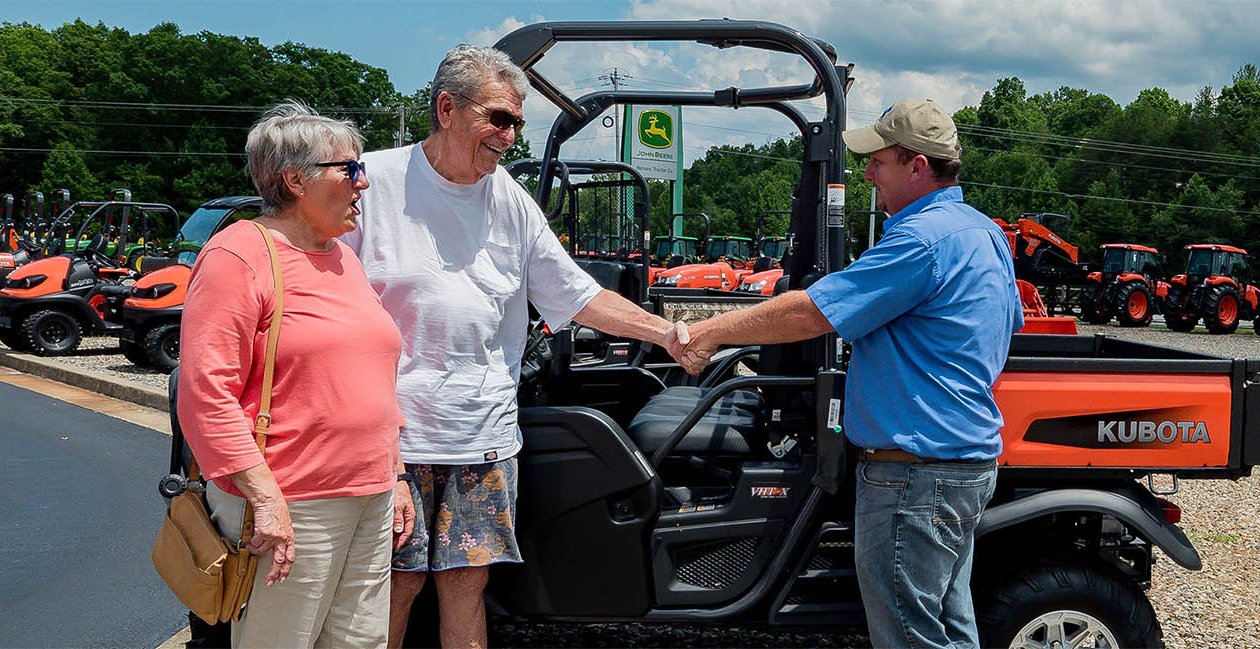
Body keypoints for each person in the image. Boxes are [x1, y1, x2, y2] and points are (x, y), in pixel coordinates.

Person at [342, 45, 689, 649]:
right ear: (447, 109)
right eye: (499, 119)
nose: (510, 136)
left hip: (483, 435)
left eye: (518, 124)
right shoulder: (371, 185)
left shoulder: (509, 200)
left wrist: (666, 333)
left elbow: (576, 295)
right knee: (391, 588)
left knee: (466, 586)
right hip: (392, 438)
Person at [676, 99, 1022, 649]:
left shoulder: (920, 242)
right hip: (962, 463)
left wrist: (713, 330)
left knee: (909, 636)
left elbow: (810, 313)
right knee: (948, 630)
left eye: (877, 162)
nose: (866, 174)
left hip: (913, 474)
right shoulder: (984, 234)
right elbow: (1007, 330)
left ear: (916, 167)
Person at [176, 100, 411, 648]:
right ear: (294, 179)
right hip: (290, 502)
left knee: (359, 644)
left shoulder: (343, 259)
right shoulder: (239, 255)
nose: (363, 183)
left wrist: (394, 475)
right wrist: (264, 497)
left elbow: (373, 381)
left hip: (369, 496)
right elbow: (205, 392)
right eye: (350, 169)